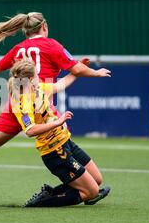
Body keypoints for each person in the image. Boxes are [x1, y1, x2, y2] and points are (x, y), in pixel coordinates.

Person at [0, 12, 111, 153]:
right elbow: (76, 69)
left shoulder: (19, 48)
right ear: (44, 26)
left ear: (25, 30)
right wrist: (96, 72)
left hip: (18, 102)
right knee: (61, 139)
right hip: (40, 101)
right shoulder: (52, 45)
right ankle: (81, 185)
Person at [6, 60, 110, 207]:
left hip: (66, 141)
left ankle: (55, 192)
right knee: (92, 191)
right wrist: (56, 123)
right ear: (30, 79)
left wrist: (79, 68)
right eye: (36, 75)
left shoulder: (39, 88)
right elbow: (29, 131)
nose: (38, 77)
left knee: (97, 179)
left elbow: (61, 84)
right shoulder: (21, 102)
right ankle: (44, 200)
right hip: (54, 151)